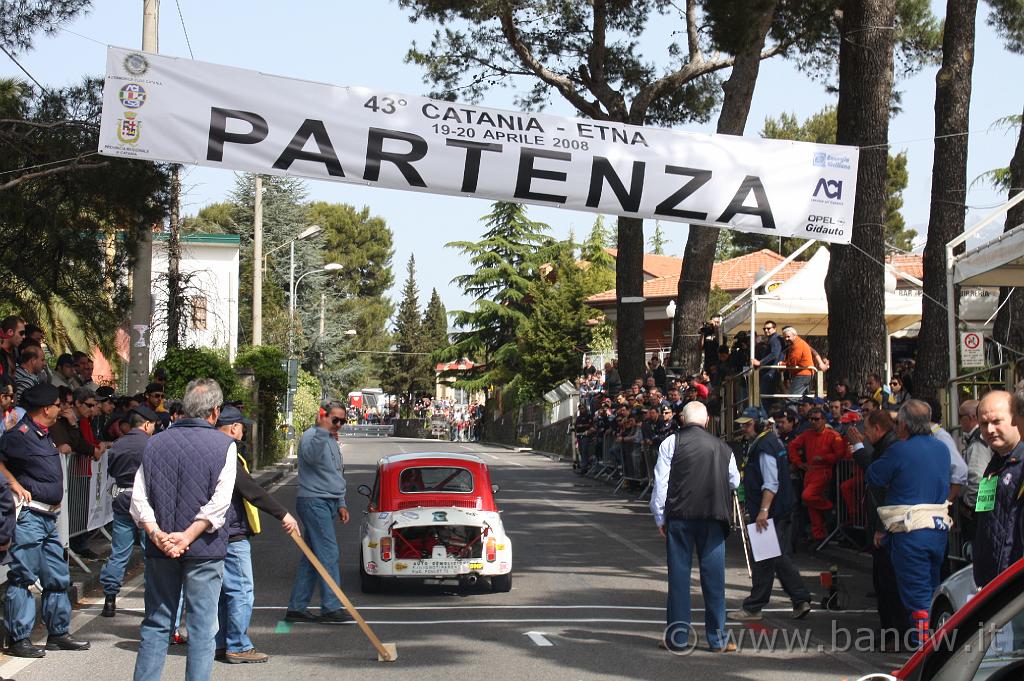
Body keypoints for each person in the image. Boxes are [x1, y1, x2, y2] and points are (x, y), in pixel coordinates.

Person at [130, 378, 237, 681]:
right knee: (203, 628)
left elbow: (139, 497)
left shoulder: (155, 442)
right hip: (204, 548)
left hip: (160, 547)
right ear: (215, 412)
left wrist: (157, 535)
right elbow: (220, 501)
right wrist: (188, 535)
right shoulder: (224, 446)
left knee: (156, 622)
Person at [0, 383, 90, 657]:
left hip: (49, 517)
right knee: (22, 576)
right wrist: (14, 483)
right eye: (56, 404)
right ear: (45, 408)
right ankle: (19, 638)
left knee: (57, 576)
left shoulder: (42, 434)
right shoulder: (20, 435)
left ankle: (58, 632)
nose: (60, 408)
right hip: (29, 516)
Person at [650, 401, 740, 653]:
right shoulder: (723, 448)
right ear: (707, 420)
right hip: (713, 515)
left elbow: (661, 484)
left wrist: (660, 517)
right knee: (714, 579)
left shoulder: (671, 443)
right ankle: (718, 638)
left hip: (680, 515)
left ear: (681, 419)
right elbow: (734, 481)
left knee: (678, 577)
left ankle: (678, 637)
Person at [215, 405, 299, 663]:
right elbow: (250, 489)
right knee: (240, 590)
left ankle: (222, 642)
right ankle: (238, 644)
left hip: (216, 532)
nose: (243, 432)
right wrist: (283, 513)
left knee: (222, 592)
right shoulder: (227, 452)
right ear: (233, 428)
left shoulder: (210, 449)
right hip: (232, 531)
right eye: (242, 426)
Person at [867, 400, 951, 647]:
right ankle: (931, 642)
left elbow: (874, 475)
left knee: (917, 596)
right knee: (932, 588)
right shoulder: (942, 448)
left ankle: (922, 649)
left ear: (904, 424)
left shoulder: (900, 450)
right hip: (937, 529)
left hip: (911, 531)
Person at [729, 407, 812, 622]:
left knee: (766, 558)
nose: (743, 428)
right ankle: (800, 598)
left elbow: (771, 482)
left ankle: (755, 606)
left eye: (747, 424)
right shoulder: (769, 442)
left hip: (771, 510)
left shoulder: (765, 446)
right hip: (779, 508)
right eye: (742, 424)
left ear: (759, 423)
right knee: (775, 556)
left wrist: (763, 511)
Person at [285, 401, 352, 624]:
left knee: (312, 557)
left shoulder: (331, 440)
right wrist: (324, 430)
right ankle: (331, 607)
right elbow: (312, 457)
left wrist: (341, 502)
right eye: (335, 420)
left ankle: (296, 607)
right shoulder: (311, 437)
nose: (339, 424)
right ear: (322, 416)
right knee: (329, 554)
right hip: (314, 502)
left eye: (343, 421)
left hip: (328, 502)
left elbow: (336, 473)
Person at [848, 409, 909, 644]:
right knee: (882, 582)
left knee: (889, 583)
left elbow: (876, 475)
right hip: (883, 522)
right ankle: (890, 631)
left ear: (877, 428)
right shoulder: (886, 445)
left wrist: (858, 448)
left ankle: (895, 633)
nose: (864, 433)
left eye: (867, 428)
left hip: (889, 525)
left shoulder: (891, 447)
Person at [99, 405, 159, 617]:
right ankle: (153, 602)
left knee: (119, 552)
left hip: (123, 497)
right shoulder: (153, 444)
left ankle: (109, 599)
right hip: (146, 503)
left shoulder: (118, 444)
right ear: (146, 424)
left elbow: (112, 470)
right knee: (151, 553)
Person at [973, 391, 1024, 588]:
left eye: (996, 421)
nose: (990, 429)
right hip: (994, 584)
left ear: (1016, 419)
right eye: (984, 424)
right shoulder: (995, 463)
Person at [787, 407, 846, 542]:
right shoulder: (807, 434)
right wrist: (798, 463)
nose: (813, 422)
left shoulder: (833, 435)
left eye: (816, 419)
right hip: (810, 473)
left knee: (807, 497)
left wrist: (824, 458)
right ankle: (818, 535)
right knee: (811, 505)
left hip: (824, 471)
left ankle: (830, 509)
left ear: (824, 420)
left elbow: (840, 453)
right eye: (811, 419)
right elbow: (792, 446)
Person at [957, 399, 991, 544]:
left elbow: (977, 479)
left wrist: (969, 507)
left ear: (972, 417)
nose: (959, 422)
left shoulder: (978, 442)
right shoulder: (976, 439)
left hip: (976, 514)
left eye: (960, 417)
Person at [781, 327, 827, 400]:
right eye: (785, 337)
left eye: (788, 336)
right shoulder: (799, 342)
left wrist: (782, 364)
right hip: (805, 374)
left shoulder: (797, 345)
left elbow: (793, 362)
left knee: (792, 399)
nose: (786, 339)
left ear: (794, 335)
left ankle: (791, 411)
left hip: (802, 375)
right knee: (804, 400)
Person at [750, 320, 784, 404]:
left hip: (771, 372)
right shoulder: (773, 339)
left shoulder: (775, 339)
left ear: (775, 329)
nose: (766, 330)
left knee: (766, 398)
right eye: (764, 329)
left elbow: (774, 354)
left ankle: (767, 415)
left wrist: (760, 362)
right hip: (771, 371)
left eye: (768, 328)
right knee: (769, 397)